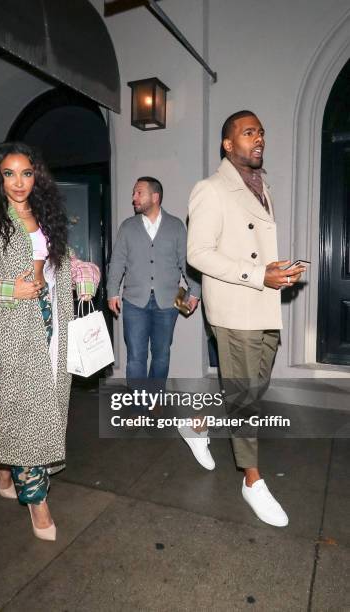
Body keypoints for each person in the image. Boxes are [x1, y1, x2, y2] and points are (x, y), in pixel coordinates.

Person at [0, 142, 99, 541]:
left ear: (38, 176)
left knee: (45, 400)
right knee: (22, 405)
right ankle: (37, 500)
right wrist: (7, 289)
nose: (19, 182)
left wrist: (87, 275)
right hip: (11, 325)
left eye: (27, 173)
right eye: (9, 173)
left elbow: (70, 263)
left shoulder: (46, 216)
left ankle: (4, 463)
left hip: (56, 321)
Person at [187, 111, 306, 527]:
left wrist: (277, 274)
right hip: (235, 310)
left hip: (263, 304)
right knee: (244, 400)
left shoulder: (261, 185)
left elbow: (249, 245)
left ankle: (197, 425)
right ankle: (252, 480)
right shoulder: (211, 189)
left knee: (250, 392)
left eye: (262, 132)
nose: (259, 139)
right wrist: (259, 274)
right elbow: (198, 254)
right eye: (249, 132)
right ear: (228, 143)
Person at [107, 176, 199, 395]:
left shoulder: (176, 226)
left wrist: (195, 291)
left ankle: (154, 398)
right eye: (133, 193)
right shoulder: (127, 227)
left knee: (161, 355)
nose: (134, 198)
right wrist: (112, 292)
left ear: (155, 197)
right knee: (136, 358)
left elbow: (186, 261)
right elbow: (117, 261)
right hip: (133, 302)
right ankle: (138, 406)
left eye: (139, 193)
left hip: (168, 302)